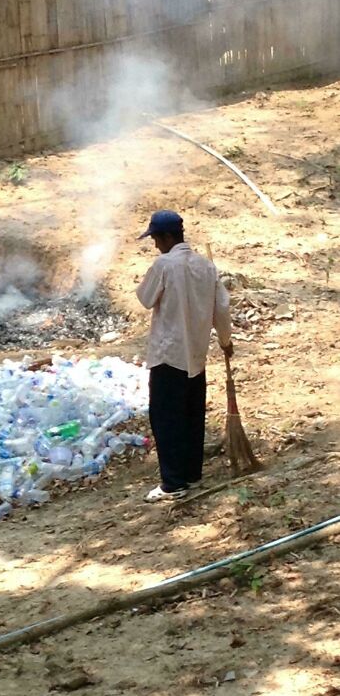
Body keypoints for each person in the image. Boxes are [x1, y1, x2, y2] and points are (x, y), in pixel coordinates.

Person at [136, 210, 233, 502]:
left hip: (169, 354)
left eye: (155, 239)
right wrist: (226, 342)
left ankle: (173, 483)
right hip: (196, 355)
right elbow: (222, 309)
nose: (155, 245)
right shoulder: (206, 266)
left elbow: (144, 298)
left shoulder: (164, 265)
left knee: (166, 418)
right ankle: (191, 473)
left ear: (167, 237)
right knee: (192, 415)